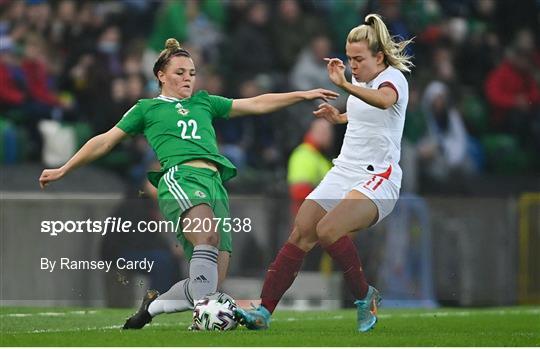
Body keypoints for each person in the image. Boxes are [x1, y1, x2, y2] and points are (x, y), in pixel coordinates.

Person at [38, 38, 338, 329]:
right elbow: (105, 141)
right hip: (180, 178)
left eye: (192, 73)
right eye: (180, 73)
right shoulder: (147, 108)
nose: (188, 79)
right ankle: (205, 319)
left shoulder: (204, 102)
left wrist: (301, 94)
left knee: (208, 282)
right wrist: (65, 168)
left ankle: (152, 307)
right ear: (161, 75)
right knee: (207, 240)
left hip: (215, 184)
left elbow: (256, 103)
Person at [236, 13, 413, 332]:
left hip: (379, 175)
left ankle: (365, 297)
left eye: (358, 58)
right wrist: (341, 118)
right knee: (303, 228)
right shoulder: (360, 79)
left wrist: (344, 84)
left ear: (380, 56)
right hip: (345, 168)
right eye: (349, 58)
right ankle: (263, 311)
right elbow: (368, 114)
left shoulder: (394, 79)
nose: (353, 64)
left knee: (329, 229)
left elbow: (385, 102)